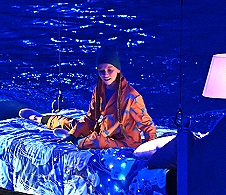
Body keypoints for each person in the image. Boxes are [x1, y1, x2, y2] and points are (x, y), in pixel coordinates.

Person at [22, 44, 157, 150]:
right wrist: (73, 133)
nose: (106, 74)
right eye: (101, 71)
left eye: (110, 70)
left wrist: (150, 150)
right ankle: (40, 118)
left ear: (118, 70)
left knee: (97, 142)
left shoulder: (132, 97)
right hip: (102, 130)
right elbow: (90, 118)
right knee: (74, 125)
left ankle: (78, 141)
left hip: (124, 142)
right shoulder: (99, 91)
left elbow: (147, 125)